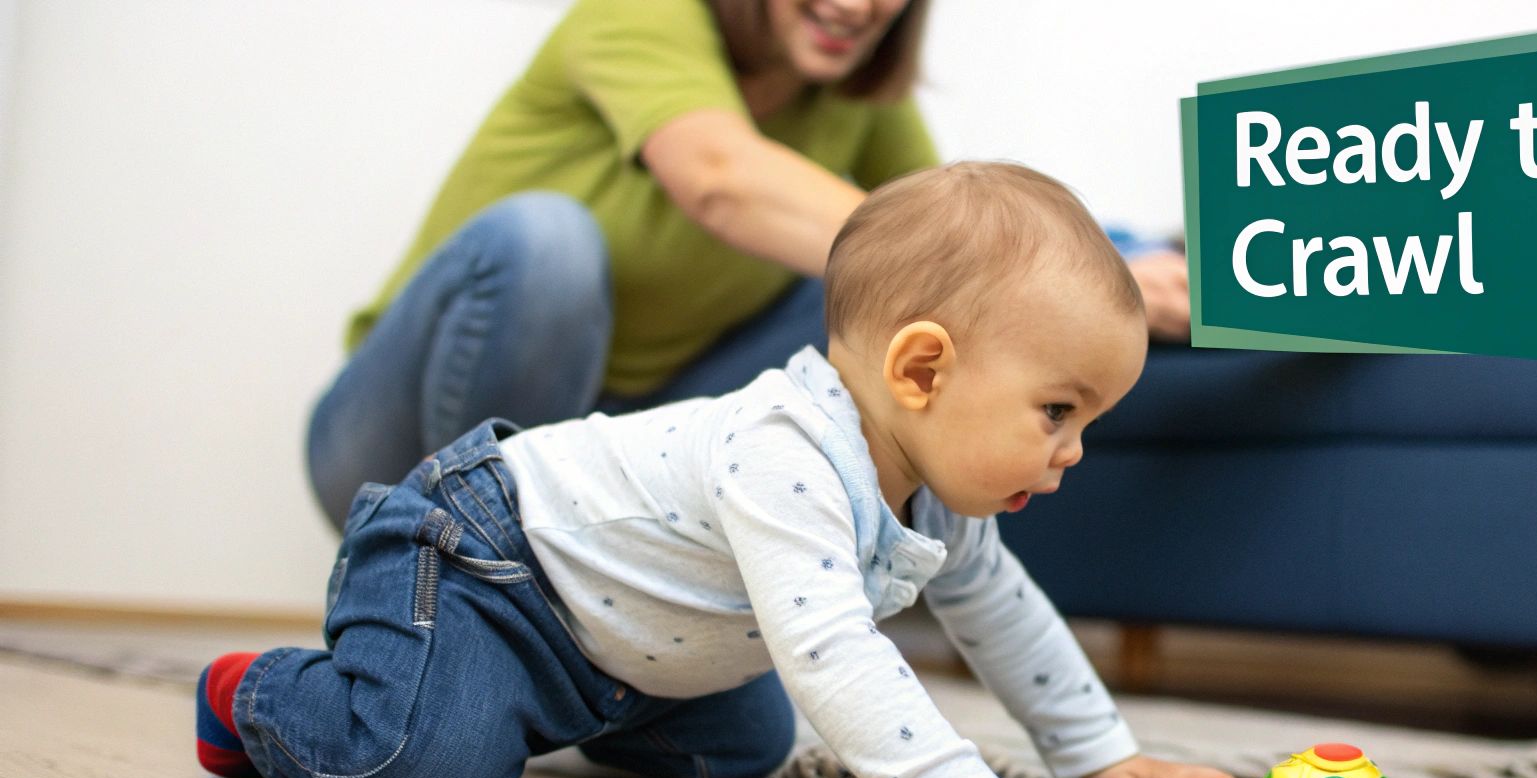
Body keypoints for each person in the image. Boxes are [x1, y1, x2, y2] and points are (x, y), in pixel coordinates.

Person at [200, 162, 1242, 778]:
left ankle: (562, 716)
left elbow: (999, 610)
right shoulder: (784, 449)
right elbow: (828, 644)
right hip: (484, 562)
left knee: (746, 741)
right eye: (1057, 412)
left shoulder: (937, 492)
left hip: (626, 659)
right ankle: (256, 692)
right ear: (920, 369)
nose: (1072, 451)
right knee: (425, 760)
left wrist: (1099, 752)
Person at [305, 0, 1192, 527]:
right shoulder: (643, 15)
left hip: (618, 439)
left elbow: (955, 223)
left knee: (876, 301)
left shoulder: (850, 98)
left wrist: (1110, 271)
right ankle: (448, 566)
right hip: (395, 438)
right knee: (547, 243)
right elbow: (722, 178)